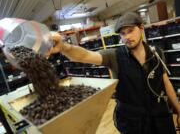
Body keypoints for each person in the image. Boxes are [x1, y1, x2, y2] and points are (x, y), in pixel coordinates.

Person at [48, 12, 180, 134]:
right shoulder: (114, 56)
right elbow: (84, 55)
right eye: (122, 33)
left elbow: (165, 82)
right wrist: (64, 47)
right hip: (134, 123)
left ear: (141, 28)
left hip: (160, 118)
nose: (127, 37)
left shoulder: (156, 53)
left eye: (130, 31)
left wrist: (178, 109)